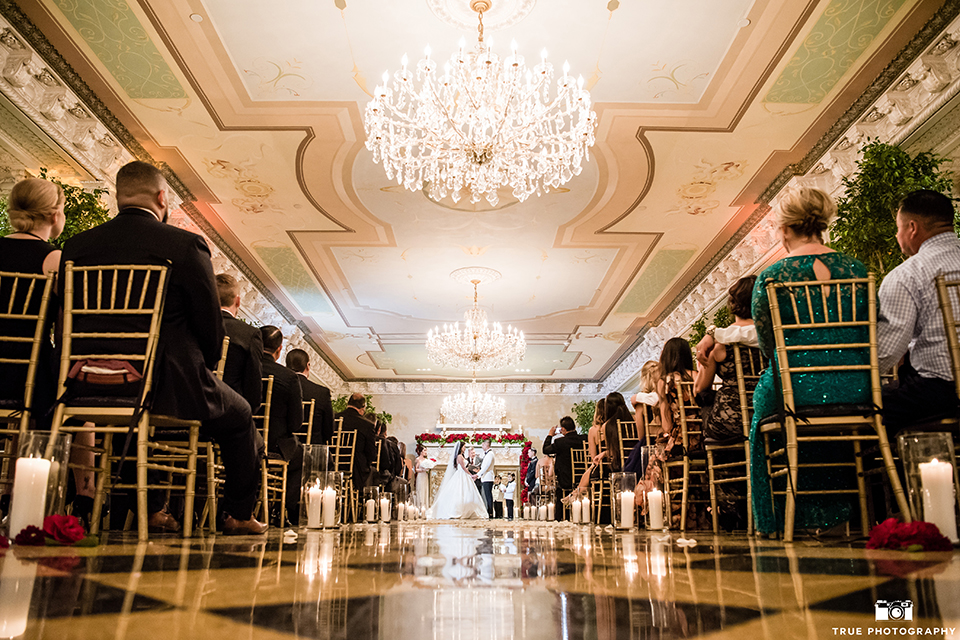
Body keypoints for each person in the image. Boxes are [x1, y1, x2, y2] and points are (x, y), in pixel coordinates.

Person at [59, 161, 266, 535]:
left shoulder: (77, 246)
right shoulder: (184, 244)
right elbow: (209, 324)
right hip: (169, 381)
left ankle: (150, 509)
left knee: (133, 419)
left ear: (118, 196)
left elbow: (64, 319)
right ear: (162, 198)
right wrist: (202, 365)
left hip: (89, 380)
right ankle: (237, 514)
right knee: (240, 416)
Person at [749, 187, 866, 535]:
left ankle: (781, 520)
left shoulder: (771, 278)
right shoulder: (857, 269)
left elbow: (768, 345)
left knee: (760, 411)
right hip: (856, 384)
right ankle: (846, 514)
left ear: (785, 229)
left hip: (794, 385)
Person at [0, 178, 96, 525]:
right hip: (29, 370)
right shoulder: (54, 259)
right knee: (77, 402)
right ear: (56, 214)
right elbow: (67, 328)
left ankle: (8, 492)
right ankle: (84, 496)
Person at [877, 189, 960, 432]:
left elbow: (886, 352)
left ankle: (892, 469)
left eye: (898, 228)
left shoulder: (908, 274)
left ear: (912, 227)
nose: (897, 235)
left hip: (942, 390)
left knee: (859, 414)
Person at [694, 276, 760, 441]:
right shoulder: (772, 336)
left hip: (731, 418)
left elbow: (700, 388)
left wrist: (701, 366)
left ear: (733, 304)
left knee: (704, 399)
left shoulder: (720, 342)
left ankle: (720, 464)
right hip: (768, 411)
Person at [259, 326, 304, 525]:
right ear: (279, 350)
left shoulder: (243, 365)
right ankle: (281, 509)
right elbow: (296, 423)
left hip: (237, 435)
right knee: (301, 456)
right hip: (271, 444)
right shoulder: (287, 377)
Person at [216, 273, 262, 413]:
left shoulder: (190, 325)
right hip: (226, 412)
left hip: (185, 407)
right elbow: (253, 390)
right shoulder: (249, 334)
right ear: (238, 301)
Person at [427, 441, 489, 520]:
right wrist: (471, 475)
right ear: (460, 448)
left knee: (467, 492)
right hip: (461, 474)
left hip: (463, 474)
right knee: (460, 492)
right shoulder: (459, 456)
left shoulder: (461, 456)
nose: (465, 448)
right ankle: (459, 510)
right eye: (464, 447)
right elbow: (463, 468)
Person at [285, 348, 334, 445]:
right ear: (307, 366)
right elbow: (328, 430)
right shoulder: (321, 392)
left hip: (283, 445)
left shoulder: (280, 385)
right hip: (312, 447)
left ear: (287, 366)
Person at [542, 416, 587, 519]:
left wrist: (550, 435)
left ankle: (561, 517)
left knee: (559, 491)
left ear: (563, 429)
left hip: (566, 480)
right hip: (583, 479)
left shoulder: (560, 442)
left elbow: (545, 449)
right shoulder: (584, 438)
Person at [335, 392, 377, 489]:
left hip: (332, 464)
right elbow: (371, 454)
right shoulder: (367, 425)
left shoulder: (334, 418)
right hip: (355, 470)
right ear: (363, 408)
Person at [477, 438, 496, 517]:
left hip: (488, 477)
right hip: (485, 477)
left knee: (488, 495)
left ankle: (490, 512)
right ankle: (488, 511)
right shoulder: (487, 454)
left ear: (486, 444)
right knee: (486, 495)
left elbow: (486, 466)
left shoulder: (490, 454)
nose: (482, 446)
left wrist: (478, 474)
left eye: (483, 444)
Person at [415, 444, 431, 509]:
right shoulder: (418, 459)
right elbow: (416, 469)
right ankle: (419, 506)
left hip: (425, 476)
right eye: (424, 450)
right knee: (420, 490)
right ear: (421, 451)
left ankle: (425, 506)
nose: (426, 452)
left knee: (425, 490)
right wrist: (422, 470)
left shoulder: (426, 460)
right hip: (420, 476)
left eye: (426, 451)